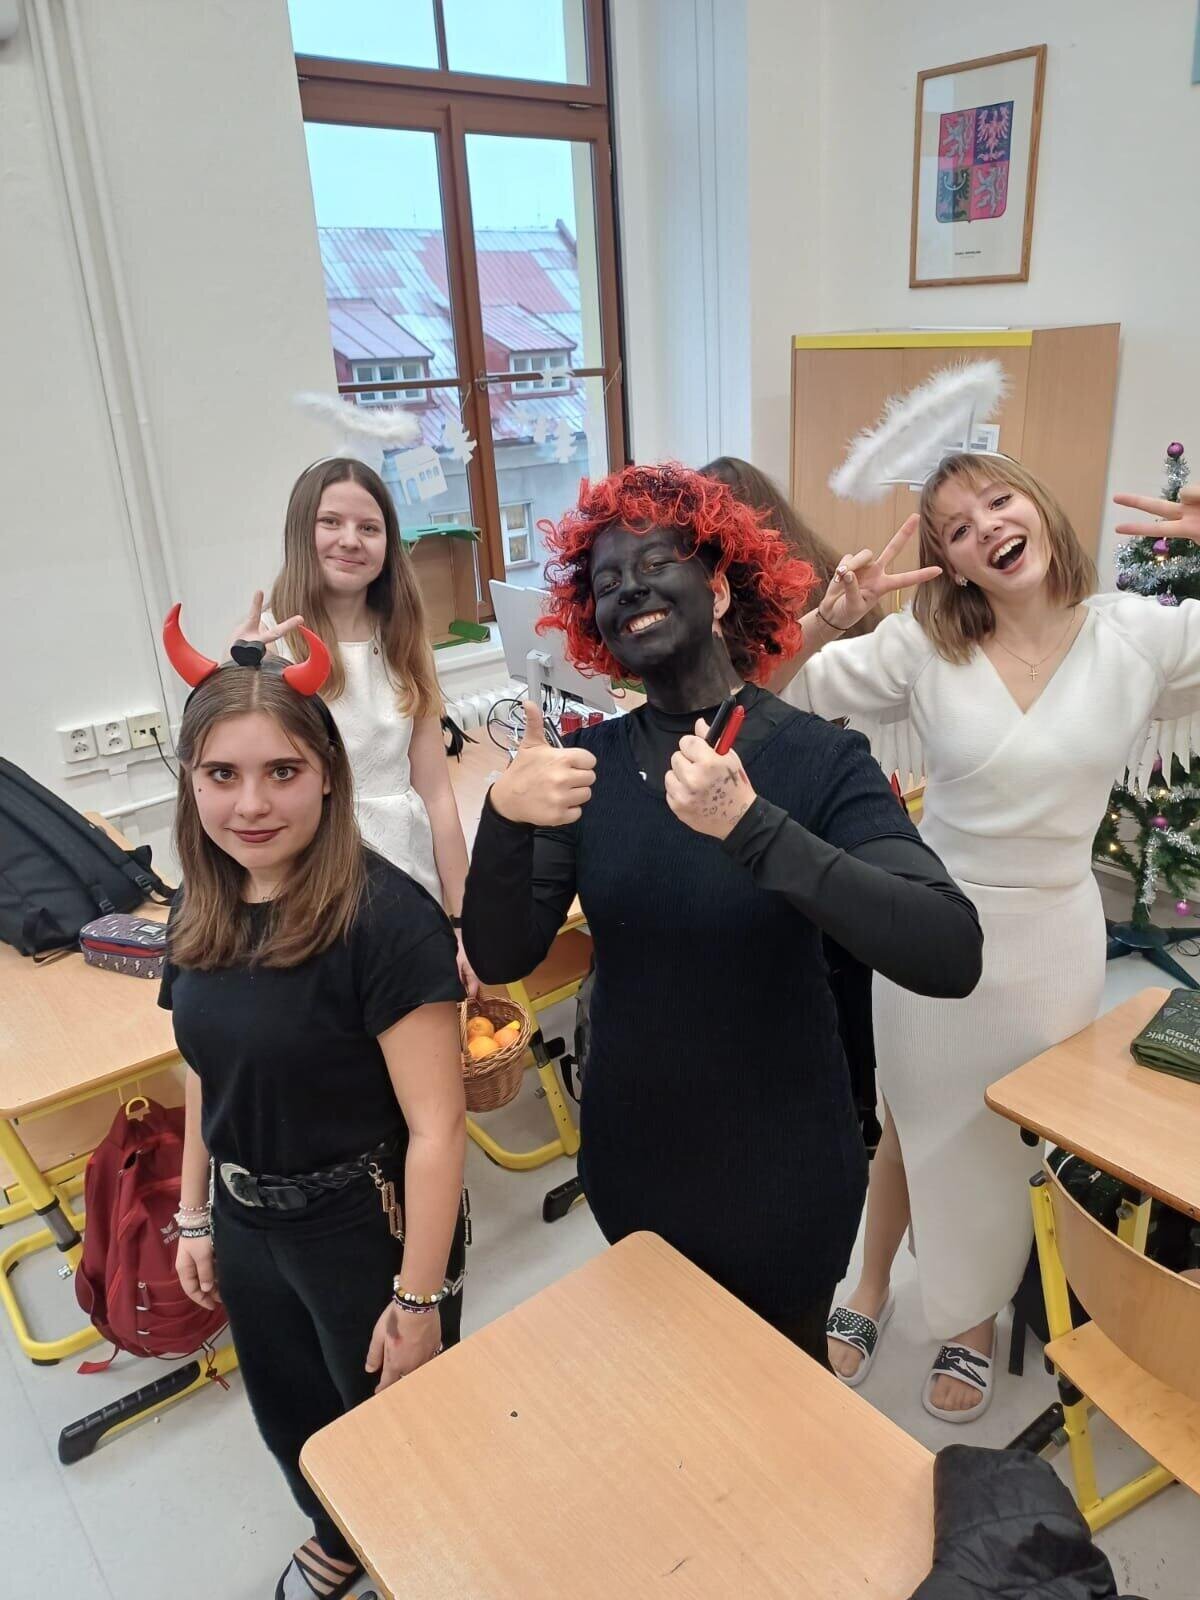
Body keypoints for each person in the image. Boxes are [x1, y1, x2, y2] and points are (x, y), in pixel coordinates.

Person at [462, 463, 982, 1363]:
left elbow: (949, 949)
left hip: (785, 1173)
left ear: (719, 586)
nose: (630, 591)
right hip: (634, 1161)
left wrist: (752, 829)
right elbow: (502, 950)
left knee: (780, 1398)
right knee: (670, 1387)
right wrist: (504, 820)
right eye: (607, 583)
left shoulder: (818, 761)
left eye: (654, 564)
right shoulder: (590, 770)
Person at [786, 459, 1200, 1421]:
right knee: (912, 1116)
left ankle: (969, 1320)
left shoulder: (1136, 636)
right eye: (957, 529)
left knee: (1007, 1133)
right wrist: (830, 619)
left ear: (1039, 507)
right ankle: (871, 1284)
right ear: (952, 563)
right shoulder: (924, 646)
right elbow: (779, 687)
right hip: (932, 923)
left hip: (1053, 937)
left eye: (999, 502)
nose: (987, 529)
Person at [160, 608, 467, 1600]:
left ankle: (417, 1560)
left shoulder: (387, 919)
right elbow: (204, 1065)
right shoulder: (200, 904)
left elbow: (438, 1126)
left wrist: (418, 1300)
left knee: (400, 1423)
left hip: (364, 1221)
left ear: (328, 774)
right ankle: (338, 1534)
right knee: (292, 1411)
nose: (251, 804)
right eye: (222, 774)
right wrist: (196, 1211)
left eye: (281, 771)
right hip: (248, 1217)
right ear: (190, 782)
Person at [238, 455, 478, 993]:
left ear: (388, 544)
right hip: (311, 885)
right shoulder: (270, 645)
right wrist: (241, 676)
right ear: (301, 532)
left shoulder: (404, 642)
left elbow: (436, 794)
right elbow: (243, 788)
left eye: (369, 528)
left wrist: (463, 922)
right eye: (331, 522)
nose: (350, 540)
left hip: (406, 873)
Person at [701, 454, 886, 1147]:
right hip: (822, 820)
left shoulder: (785, 613)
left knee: (817, 975)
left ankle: (843, 1112)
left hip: (803, 816)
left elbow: (751, 696)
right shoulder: (820, 587)